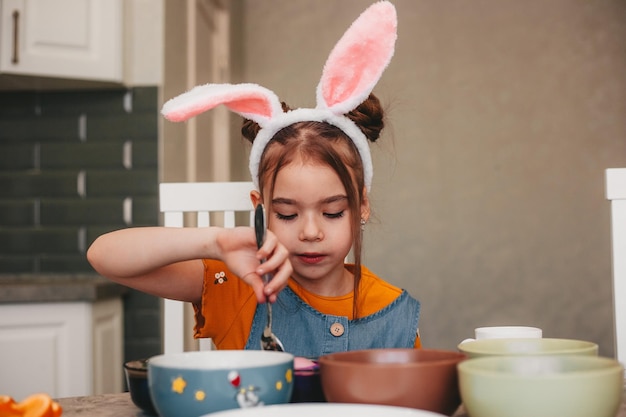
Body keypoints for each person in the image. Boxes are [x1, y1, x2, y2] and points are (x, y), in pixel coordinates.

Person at [87, 1, 421, 358]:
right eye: (288, 214)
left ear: (362, 206)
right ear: (260, 210)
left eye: (333, 212)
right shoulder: (233, 285)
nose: (310, 232)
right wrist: (214, 242)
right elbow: (104, 256)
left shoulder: (394, 312)